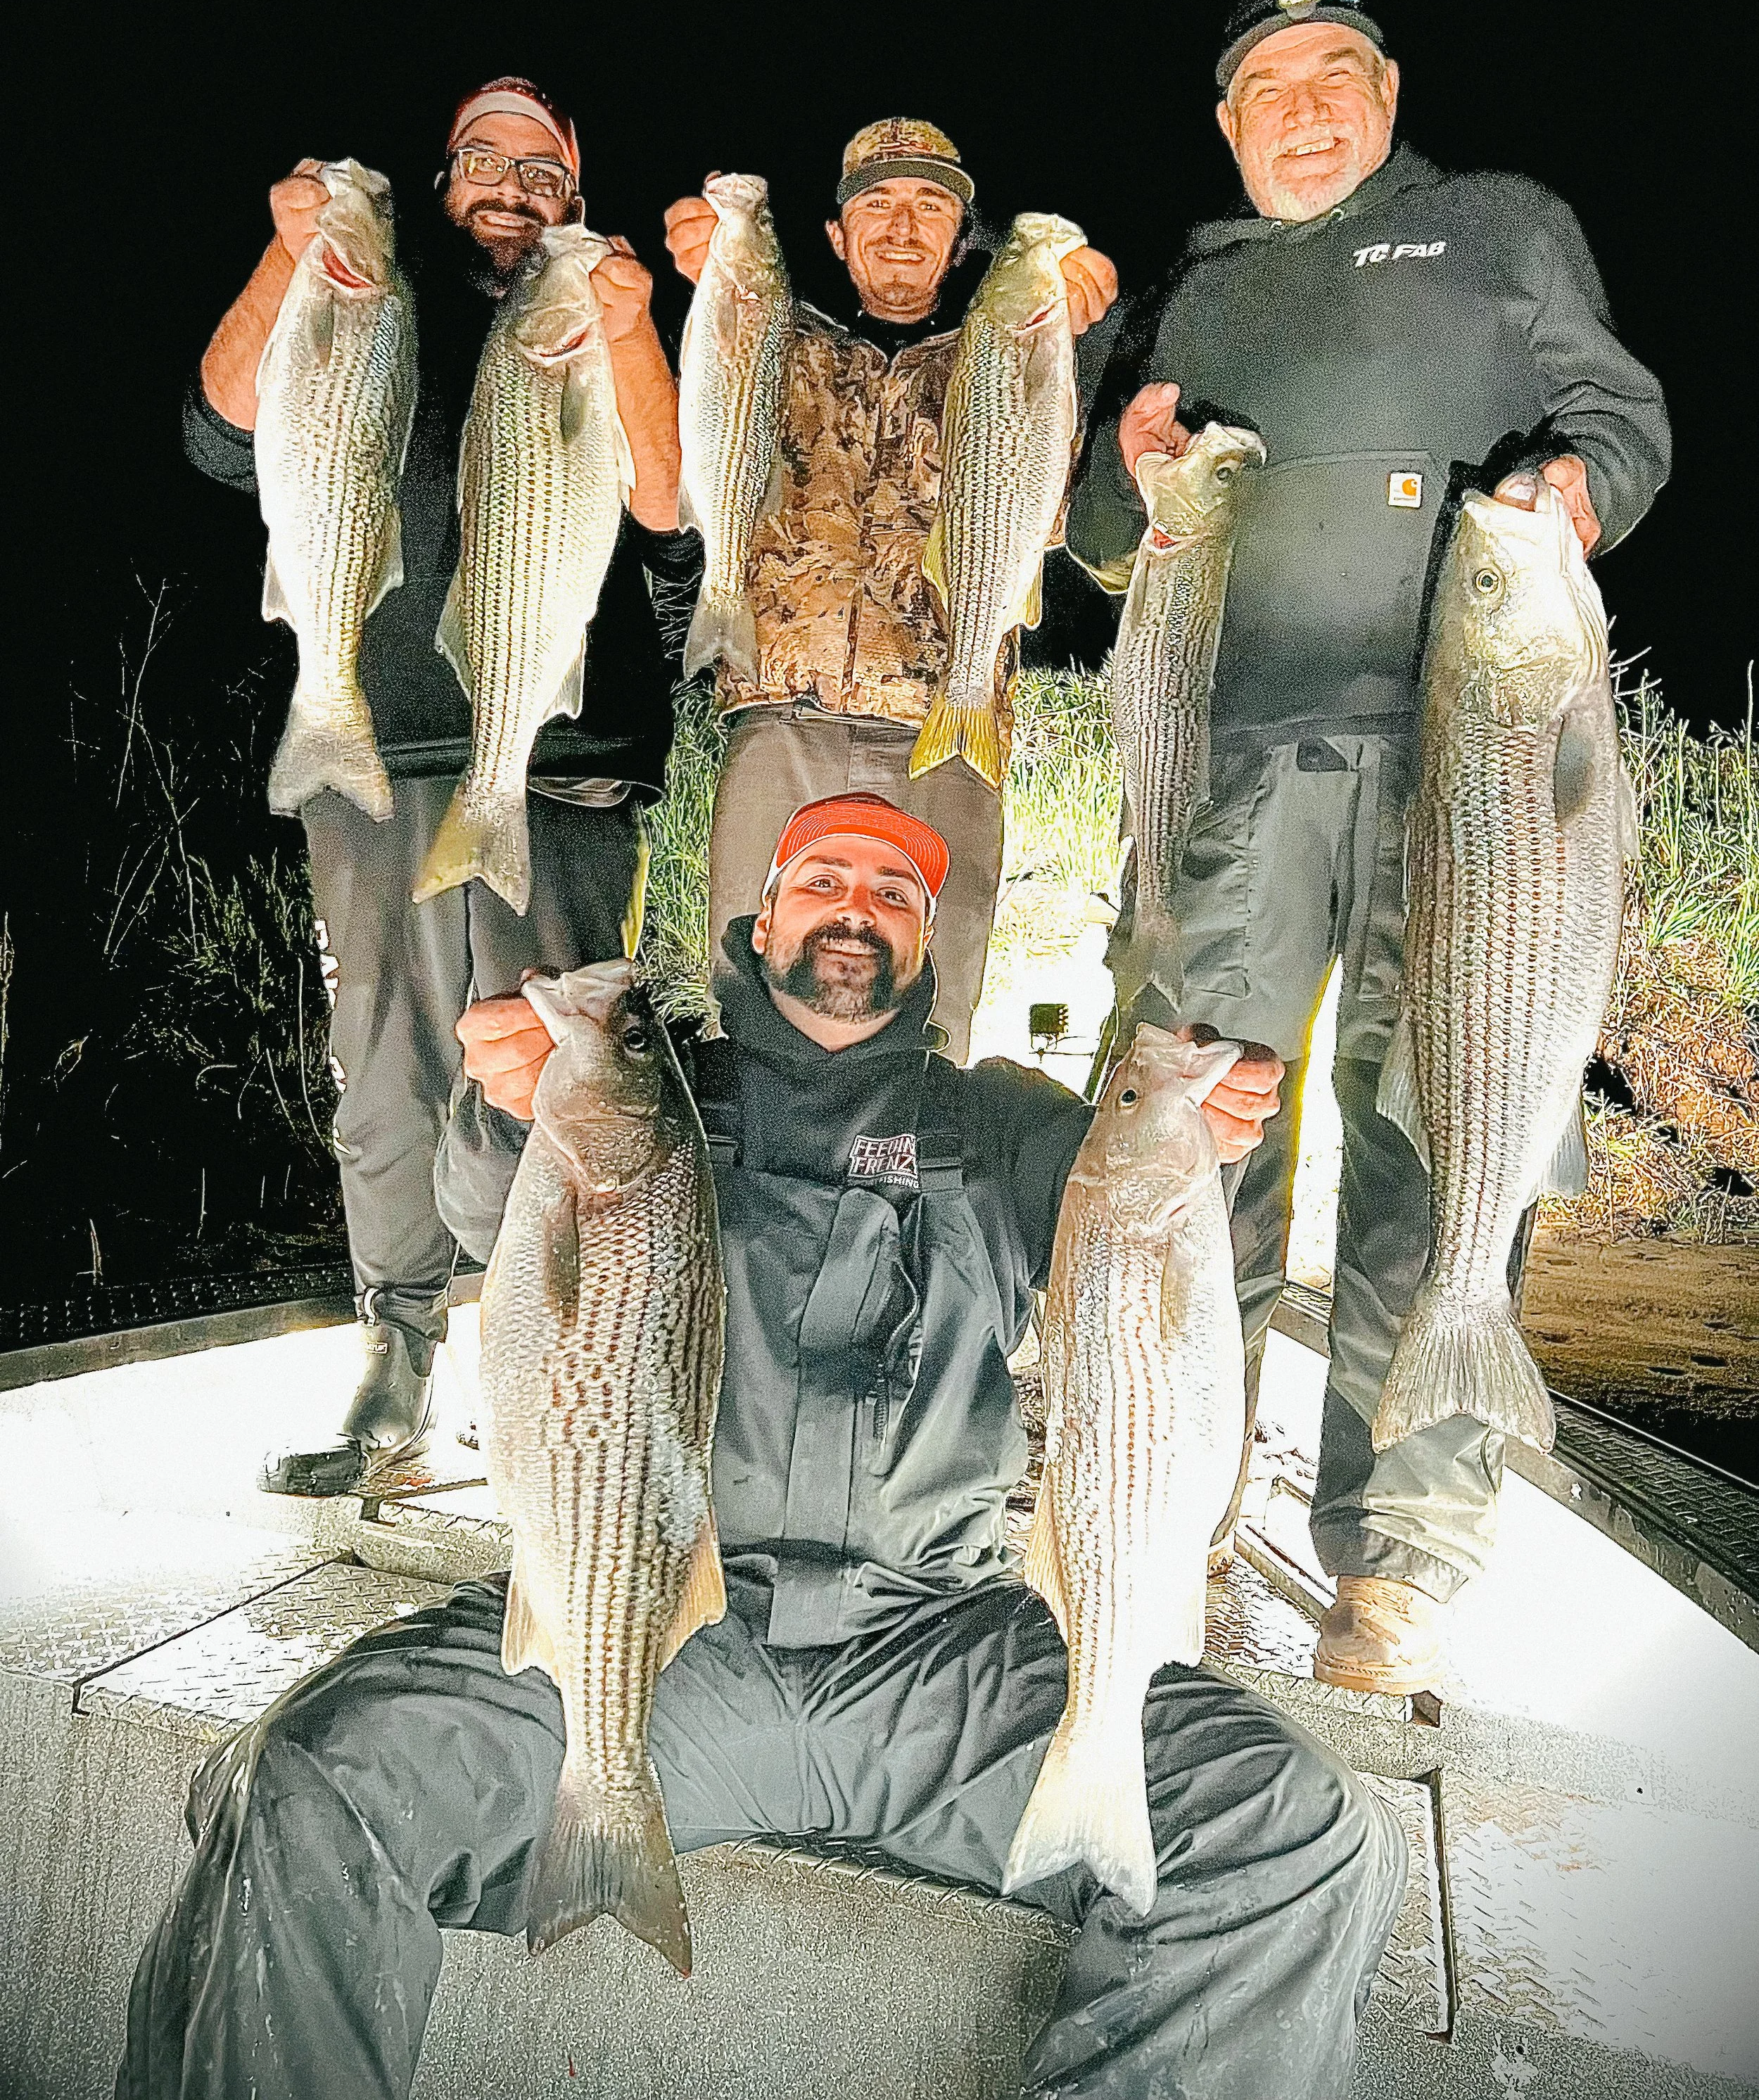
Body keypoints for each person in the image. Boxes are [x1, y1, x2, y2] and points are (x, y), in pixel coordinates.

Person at [118, 796, 1407, 2100]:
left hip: (941, 1664)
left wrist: (1209, 1130)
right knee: (304, 1778)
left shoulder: (1010, 1129)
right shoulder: (656, 1093)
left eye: (894, 894)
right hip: (665, 1643)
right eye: (824, 880)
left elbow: (1148, 1251)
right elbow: (481, 1211)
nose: (857, 910)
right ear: (767, 912)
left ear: (926, 945)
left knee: (1297, 1834)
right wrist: (512, 1107)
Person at [1069, 0, 1671, 1694]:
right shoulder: (1198, 281)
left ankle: (1394, 1562)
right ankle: (1162, 1499)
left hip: (1462, 761)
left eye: (1336, 77)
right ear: (1227, 126)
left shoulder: (1495, 227)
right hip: (1231, 765)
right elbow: (1107, 533)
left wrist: (1576, 491)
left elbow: (1617, 420)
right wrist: (1117, 466)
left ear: (1387, 92)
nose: (1304, 108)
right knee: (1188, 1133)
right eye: (1268, 89)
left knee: (1441, 1137)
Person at [188, 77, 696, 1493]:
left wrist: (631, 325)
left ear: (576, 184)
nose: (510, 181)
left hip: (565, 759)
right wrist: (295, 253)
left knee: (562, 1075)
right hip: (375, 749)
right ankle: (401, 1363)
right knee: (385, 1070)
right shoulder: (373, 304)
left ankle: (577, 1365)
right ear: (445, 176)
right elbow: (219, 433)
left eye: (540, 162)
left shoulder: (603, 312)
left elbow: (671, 511)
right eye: (482, 157)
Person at [663, 120, 1119, 1062]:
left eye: (932, 208)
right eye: (876, 206)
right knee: (750, 1012)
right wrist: (711, 262)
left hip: (944, 731)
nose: (904, 229)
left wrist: (1088, 328)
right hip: (778, 720)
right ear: (834, 237)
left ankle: (914, 1198)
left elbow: (1067, 515)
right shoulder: (770, 338)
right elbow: (686, 452)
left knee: (930, 1018)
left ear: (963, 241)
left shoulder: (1008, 354)